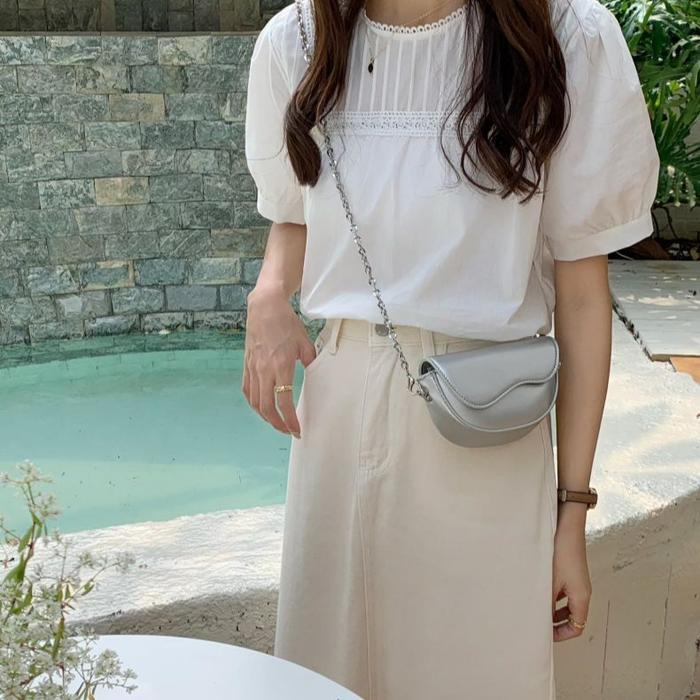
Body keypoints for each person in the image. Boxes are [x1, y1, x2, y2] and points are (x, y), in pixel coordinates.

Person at [241, 0, 660, 697]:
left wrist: (573, 511)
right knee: (330, 669)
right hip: (340, 407)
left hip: (485, 421)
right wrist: (268, 295)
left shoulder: (566, 37)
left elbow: (584, 299)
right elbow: (293, 211)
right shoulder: (300, 39)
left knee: (477, 673)